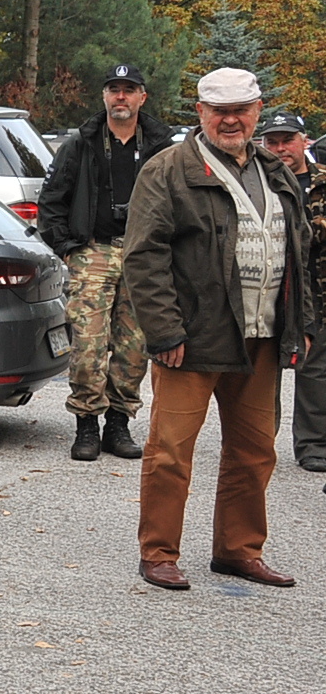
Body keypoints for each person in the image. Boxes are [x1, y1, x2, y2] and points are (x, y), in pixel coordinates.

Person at [123, 67, 313, 592]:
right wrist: (165, 332)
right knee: (170, 452)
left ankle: (238, 550)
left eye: (241, 111)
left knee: (256, 451)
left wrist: (302, 323)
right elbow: (143, 257)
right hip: (192, 338)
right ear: (201, 113)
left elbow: (298, 253)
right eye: (220, 111)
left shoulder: (275, 169)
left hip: (263, 336)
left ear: (257, 112)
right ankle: (159, 553)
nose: (231, 121)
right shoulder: (168, 170)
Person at [37, 64, 173, 462]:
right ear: (105, 96)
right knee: (88, 345)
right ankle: (86, 425)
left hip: (142, 254)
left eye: (129, 90)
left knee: (134, 348)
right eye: (115, 89)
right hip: (94, 251)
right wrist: (68, 248)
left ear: (142, 97)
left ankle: (118, 424)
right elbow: (52, 200)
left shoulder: (160, 145)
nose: (121, 97)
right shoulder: (81, 143)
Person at [258, 108, 326, 473]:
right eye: (273, 142)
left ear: (304, 142)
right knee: (263, 367)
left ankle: (313, 444)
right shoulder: (256, 182)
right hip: (269, 286)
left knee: (315, 369)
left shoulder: (322, 181)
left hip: (317, 287)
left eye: (288, 140)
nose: (281, 148)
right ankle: (255, 442)